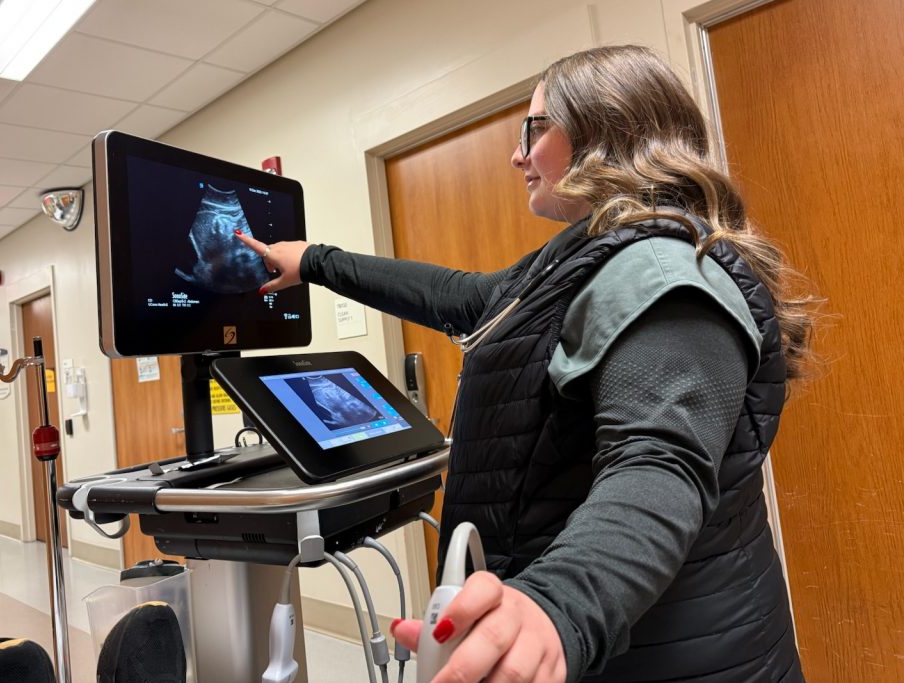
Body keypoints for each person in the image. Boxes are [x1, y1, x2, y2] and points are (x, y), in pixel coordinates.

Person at [237, 45, 815, 683]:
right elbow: (454, 294)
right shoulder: (584, 259)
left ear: (603, 130)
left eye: (534, 129)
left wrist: (558, 606)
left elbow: (659, 462)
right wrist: (312, 261)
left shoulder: (661, 272)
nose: (518, 154)